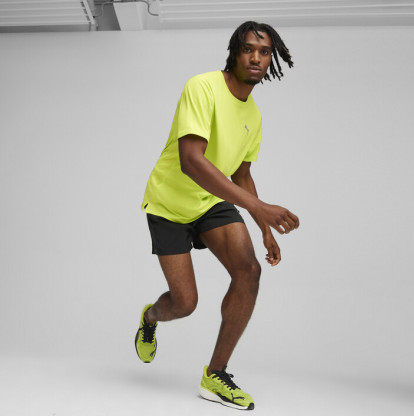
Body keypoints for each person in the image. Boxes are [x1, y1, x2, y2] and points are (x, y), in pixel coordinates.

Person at [135, 21, 299, 410]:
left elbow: (241, 175)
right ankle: (151, 318)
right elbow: (192, 161)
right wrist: (259, 207)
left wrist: (264, 229)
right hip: (169, 204)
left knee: (249, 271)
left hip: (211, 201)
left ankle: (215, 374)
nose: (256, 57)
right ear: (234, 52)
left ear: (271, 59)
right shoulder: (202, 87)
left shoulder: (254, 115)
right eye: (248, 49)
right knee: (184, 303)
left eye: (264, 52)